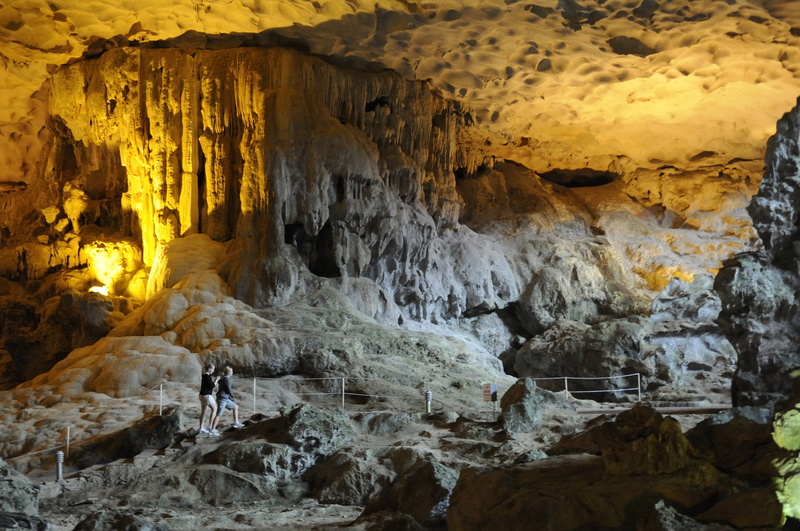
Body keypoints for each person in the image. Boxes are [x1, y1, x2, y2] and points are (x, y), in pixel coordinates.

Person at [211, 366, 244, 431]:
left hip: (223, 398)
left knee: (235, 407)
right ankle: (213, 429)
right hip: (223, 399)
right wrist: (232, 397)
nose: (232, 372)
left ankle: (236, 422)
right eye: (231, 371)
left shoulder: (222, 379)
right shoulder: (227, 379)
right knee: (219, 414)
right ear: (228, 372)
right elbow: (228, 389)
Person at [198, 363, 221, 436]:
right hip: (206, 395)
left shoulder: (204, 376)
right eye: (213, 369)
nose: (213, 371)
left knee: (203, 412)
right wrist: (216, 380)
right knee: (215, 409)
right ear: (209, 369)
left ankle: (201, 428)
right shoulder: (207, 376)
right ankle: (211, 427)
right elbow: (211, 386)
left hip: (201, 395)